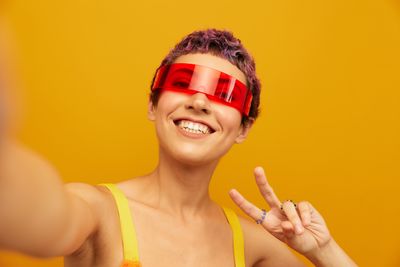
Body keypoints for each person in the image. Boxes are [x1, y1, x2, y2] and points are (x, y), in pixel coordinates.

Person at [0, 29, 357, 267]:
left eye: (225, 94)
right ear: (153, 106)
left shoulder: (254, 247)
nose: (200, 99)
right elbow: (40, 215)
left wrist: (322, 250)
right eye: (183, 83)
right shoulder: (97, 212)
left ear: (243, 128)